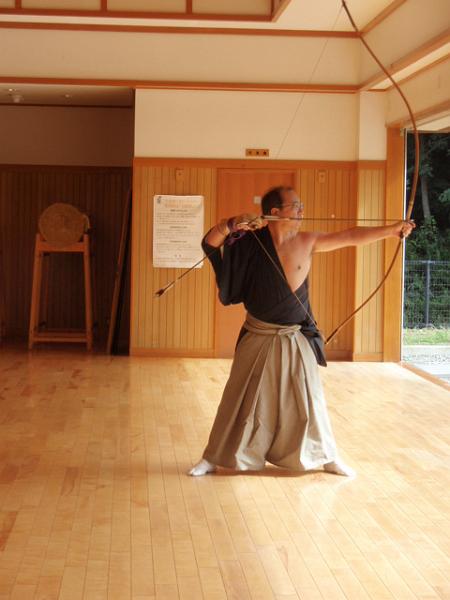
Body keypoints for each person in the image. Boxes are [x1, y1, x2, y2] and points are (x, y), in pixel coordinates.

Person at [189, 186, 415, 478]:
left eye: (301, 205)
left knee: (311, 399)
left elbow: (350, 236)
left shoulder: (308, 241)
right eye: (295, 206)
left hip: (296, 335)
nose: (301, 211)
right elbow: (210, 243)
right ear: (275, 212)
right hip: (258, 333)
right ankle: (213, 457)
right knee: (237, 398)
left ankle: (327, 456)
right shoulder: (250, 241)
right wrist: (231, 224)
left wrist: (391, 230)